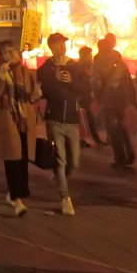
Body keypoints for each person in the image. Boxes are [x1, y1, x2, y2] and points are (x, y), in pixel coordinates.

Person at [39, 33, 91, 217]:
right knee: (60, 159)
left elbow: (86, 89)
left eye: (63, 44)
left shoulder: (75, 66)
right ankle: (65, 197)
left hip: (72, 120)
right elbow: (43, 90)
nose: (62, 47)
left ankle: (60, 178)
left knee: (74, 161)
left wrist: (73, 82)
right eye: (58, 44)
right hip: (54, 118)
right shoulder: (46, 68)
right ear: (52, 46)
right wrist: (55, 79)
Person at [0, 40, 37, 217]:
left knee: (23, 154)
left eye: (10, 52)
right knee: (12, 156)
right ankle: (16, 198)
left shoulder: (25, 70)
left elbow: (32, 93)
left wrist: (36, 92)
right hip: (6, 115)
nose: (7, 56)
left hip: (24, 116)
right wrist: (2, 73)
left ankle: (17, 193)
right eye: (3, 53)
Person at [94, 35, 136, 168]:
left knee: (112, 129)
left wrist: (98, 97)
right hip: (121, 99)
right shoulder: (119, 61)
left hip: (108, 100)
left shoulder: (98, 62)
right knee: (121, 126)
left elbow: (96, 82)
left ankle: (120, 157)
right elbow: (128, 79)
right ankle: (129, 153)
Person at [76, 46, 104, 147]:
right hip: (81, 97)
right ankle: (87, 139)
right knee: (84, 118)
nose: (91, 57)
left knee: (87, 118)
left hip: (87, 97)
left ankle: (93, 139)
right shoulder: (78, 67)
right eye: (89, 55)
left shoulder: (90, 66)